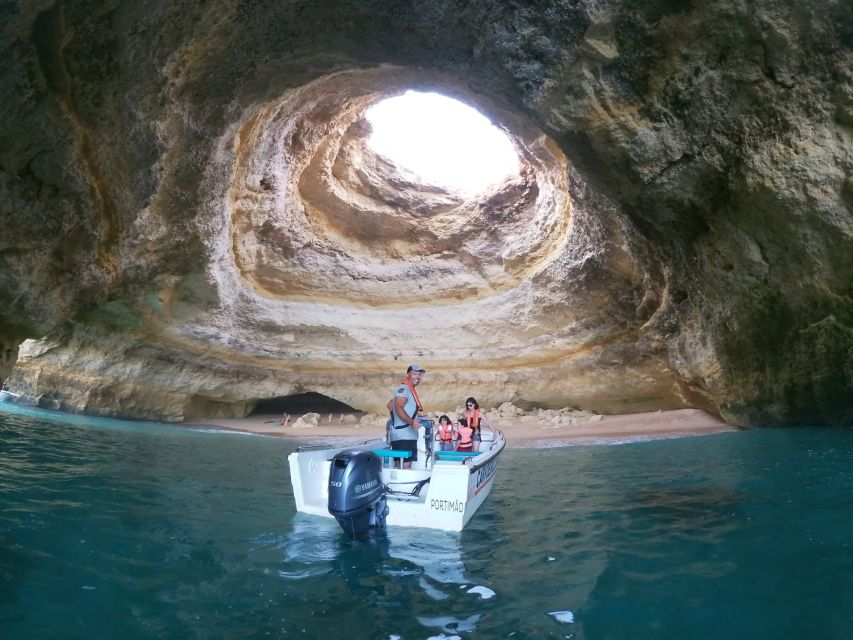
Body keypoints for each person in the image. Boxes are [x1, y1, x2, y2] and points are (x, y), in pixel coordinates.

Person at [387, 363, 427, 469]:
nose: (417, 377)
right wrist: (411, 422)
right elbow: (399, 406)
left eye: (419, 374)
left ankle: (396, 485)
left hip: (402, 435)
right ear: (407, 375)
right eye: (414, 373)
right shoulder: (404, 389)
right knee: (406, 465)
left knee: (399, 465)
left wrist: (414, 415)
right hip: (404, 436)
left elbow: (390, 405)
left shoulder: (406, 389)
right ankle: (404, 486)